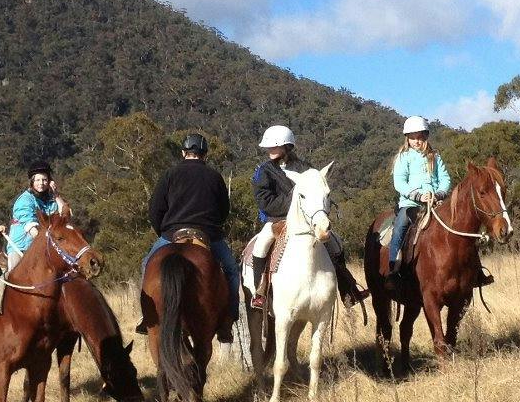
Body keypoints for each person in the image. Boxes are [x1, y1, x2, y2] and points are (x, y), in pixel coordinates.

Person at [247, 125, 367, 310]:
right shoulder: (263, 171)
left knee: (335, 244)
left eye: (274, 146)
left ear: (287, 147)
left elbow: (317, 192)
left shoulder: (305, 168)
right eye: (268, 147)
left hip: (306, 222)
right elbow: (265, 203)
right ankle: (260, 293)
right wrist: (294, 200)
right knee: (261, 246)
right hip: (276, 220)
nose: (269, 150)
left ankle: (348, 291)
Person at [144, 132, 242, 342]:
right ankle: (228, 320)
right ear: (204, 154)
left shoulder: (170, 174)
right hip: (207, 235)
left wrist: (163, 233)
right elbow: (224, 211)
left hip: (172, 234)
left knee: (147, 265)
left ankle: (148, 317)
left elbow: (154, 210)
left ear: (183, 153)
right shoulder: (214, 176)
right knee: (233, 271)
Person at [388, 116, 453, 281]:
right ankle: (393, 270)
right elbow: (400, 182)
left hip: (436, 203)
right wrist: (418, 195)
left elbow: (445, 179)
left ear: (426, 136)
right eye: (412, 138)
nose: (416, 141)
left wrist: (438, 193)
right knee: (399, 228)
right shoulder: (403, 158)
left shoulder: (435, 157)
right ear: (407, 139)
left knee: (460, 226)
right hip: (411, 204)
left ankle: (475, 273)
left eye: (419, 137)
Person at [6, 163, 68, 259]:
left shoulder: (51, 200)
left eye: (44, 180)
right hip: (21, 246)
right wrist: (47, 242)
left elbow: (65, 215)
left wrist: (56, 194)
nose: (41, 183)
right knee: (15, 270)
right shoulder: (25, 199)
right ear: (32, 182)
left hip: (43, 246)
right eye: (37, 180)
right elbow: (30, 225)